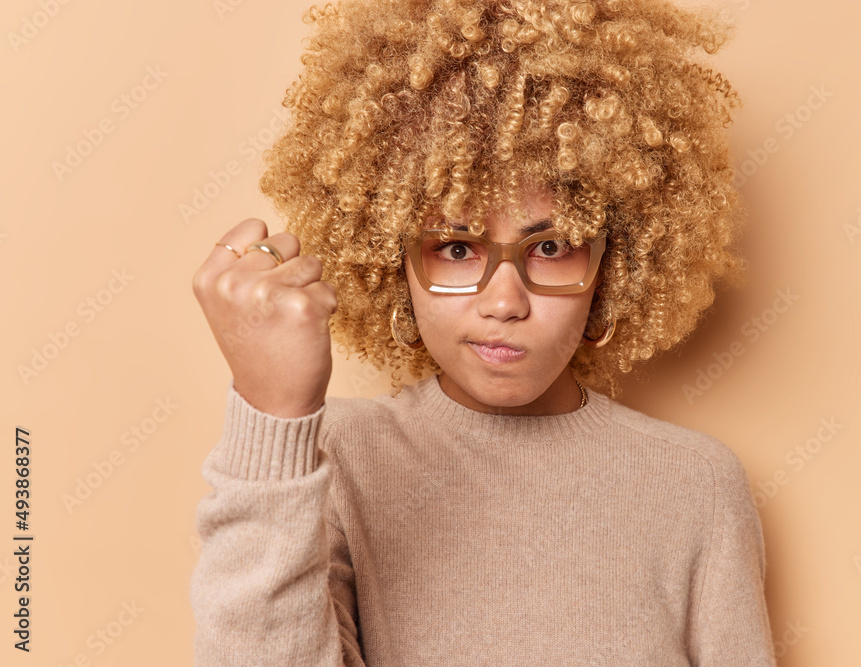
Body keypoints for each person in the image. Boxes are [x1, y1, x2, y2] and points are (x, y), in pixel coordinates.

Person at [189, 0, 775, 664]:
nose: (504, 302)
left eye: (551, 248)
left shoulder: (695, 484)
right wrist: (273, 415)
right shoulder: (337, 458)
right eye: (456, 248)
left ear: (614, 266)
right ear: (392, 259)